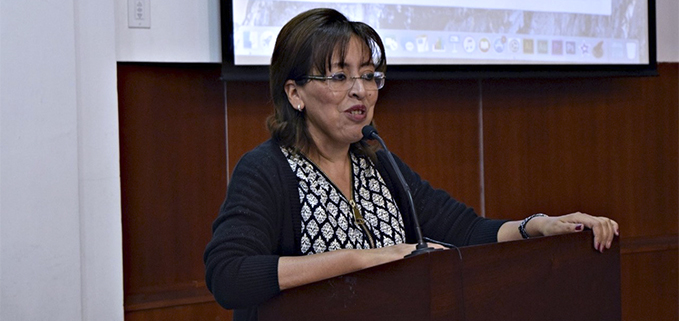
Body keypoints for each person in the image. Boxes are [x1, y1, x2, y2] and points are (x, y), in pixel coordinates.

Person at [204, 8, 619, 321]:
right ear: (294, 93)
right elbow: (229, 275)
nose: (360, 91)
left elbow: (465, 231)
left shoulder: (378, 162)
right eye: (338, 77)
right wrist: (367, 258)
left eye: (369, 75)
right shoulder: (267, 170)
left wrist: (538, 226)